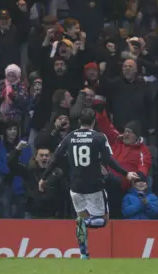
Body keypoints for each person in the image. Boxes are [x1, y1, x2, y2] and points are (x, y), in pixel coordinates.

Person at [38, 108, 139, 259]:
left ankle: (83, 253)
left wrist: (43, 177)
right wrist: (126, 173)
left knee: (81, 217)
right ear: (93, 122)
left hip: (76, 186)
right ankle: (86, 223)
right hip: (94, 186)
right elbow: (109, 160)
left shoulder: (70, 137)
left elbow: (56, 158)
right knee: (102, 221)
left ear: (79, 122)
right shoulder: (99, 137)